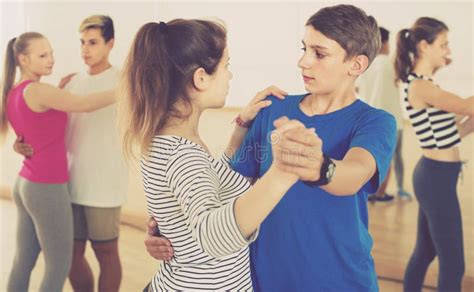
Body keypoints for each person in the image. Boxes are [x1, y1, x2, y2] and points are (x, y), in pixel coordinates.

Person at [145, 5, 397, 291]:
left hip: (340, 279)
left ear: (357, 65)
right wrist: (173, 226)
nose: (303, 62)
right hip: (265, 279)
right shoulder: (273, 108)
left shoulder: (375, 122)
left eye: (319, 53)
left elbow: (355, 172)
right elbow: (230, 187)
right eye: (304, 49)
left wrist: (319, 167)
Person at [119, 19, 320, 291]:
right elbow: (213, 236)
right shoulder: (183, 155)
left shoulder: (168, 141)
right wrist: (282, 173)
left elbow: (213, 183)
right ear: (201, 78)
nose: (230, 76)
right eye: (227, 66)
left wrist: (242, 124)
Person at [13, 15, 126, 292]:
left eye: (93, 42)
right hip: (64, 185)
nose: (85, 49)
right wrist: (21, 142)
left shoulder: (125, 80)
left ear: (110, 43)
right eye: (82, 43)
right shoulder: (69, 82)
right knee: (69, 258)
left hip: (104, 184)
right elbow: (55, 119)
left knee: (106, 253)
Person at [394, 17, 474, 292]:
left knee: (425, 253)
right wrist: (468, 110)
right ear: (424, 46)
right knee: (454, 265)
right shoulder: (421, 87)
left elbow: (453, 132)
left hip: (435, 176)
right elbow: (465, 106)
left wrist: (469, 119)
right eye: (444, 44)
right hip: (436, 180)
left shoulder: (424, 85)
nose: (447, 51)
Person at [357, 26, 412, 202]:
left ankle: (371, 192)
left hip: (370, 119)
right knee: (394, 158)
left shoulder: (365, 64)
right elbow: (405, 78)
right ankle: (390, 192)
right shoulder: (389, 63)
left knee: (374, 156)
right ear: (385, 43)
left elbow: (357, 88)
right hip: (392, 120)